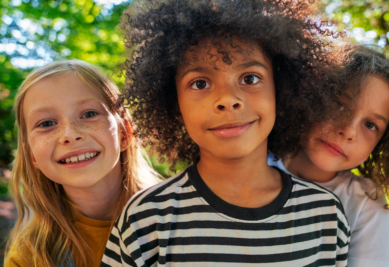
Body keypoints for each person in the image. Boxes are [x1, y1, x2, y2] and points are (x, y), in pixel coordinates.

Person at [102, 0, 351, 266]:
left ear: (282, 90)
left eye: (250, 78)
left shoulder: (325, 215)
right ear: (175, 105)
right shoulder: (146, 219)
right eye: (200, 83)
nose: (228, 99)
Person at [268, 45, 389, 266]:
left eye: (370, 125)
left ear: (383, 142)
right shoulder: (254, 159)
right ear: (308, 97)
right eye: (339, 105)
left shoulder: (364, 201)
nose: (348, 131)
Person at [4, 60, 160, 267]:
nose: (70, 134)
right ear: (32, 155)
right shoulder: (29, 257)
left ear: (124, 133)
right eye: (47, 124)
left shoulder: (182, 217)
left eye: (89, 114)